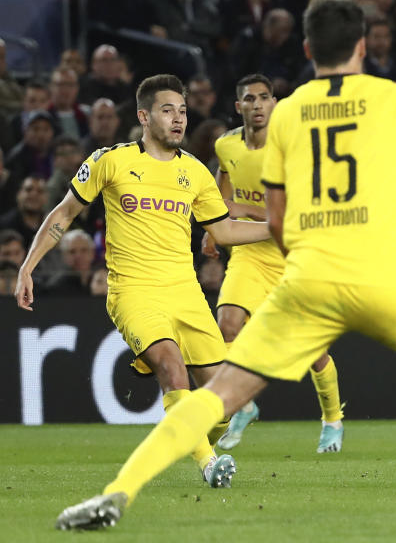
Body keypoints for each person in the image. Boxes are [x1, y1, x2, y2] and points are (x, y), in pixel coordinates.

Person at [54, 0, 396, 529]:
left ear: (310, 46)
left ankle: (116, 493)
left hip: (310, 278)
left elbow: (278, 216)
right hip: (389, 273)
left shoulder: (285, 116)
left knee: (220, 394)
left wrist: (299, 277)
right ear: (362, 44)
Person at [18, 74, 276, 510]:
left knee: (223, 404)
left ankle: (194, 439)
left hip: (187, 294)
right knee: (172, 370)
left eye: (183, 111)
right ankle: (210, 463)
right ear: (144, 116)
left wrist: (278, 228)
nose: (178, 119)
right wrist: (28, 267)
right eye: (168, 110)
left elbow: (225, 230)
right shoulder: (110, 161)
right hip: (134, 292)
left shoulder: (194, 171)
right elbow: (64, 213)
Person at [202, 74, 345, 453]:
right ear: (239, 107)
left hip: (292, 254)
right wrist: (214, 225)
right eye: (250, 98)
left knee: (313, 352)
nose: (258, 105)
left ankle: (332, 419)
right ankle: (243, 404)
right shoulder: (226, 144)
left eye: (265, 97)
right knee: (227, 325)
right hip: (250, 252)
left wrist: (241, 210)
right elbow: (224, 177)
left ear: (275, 103)